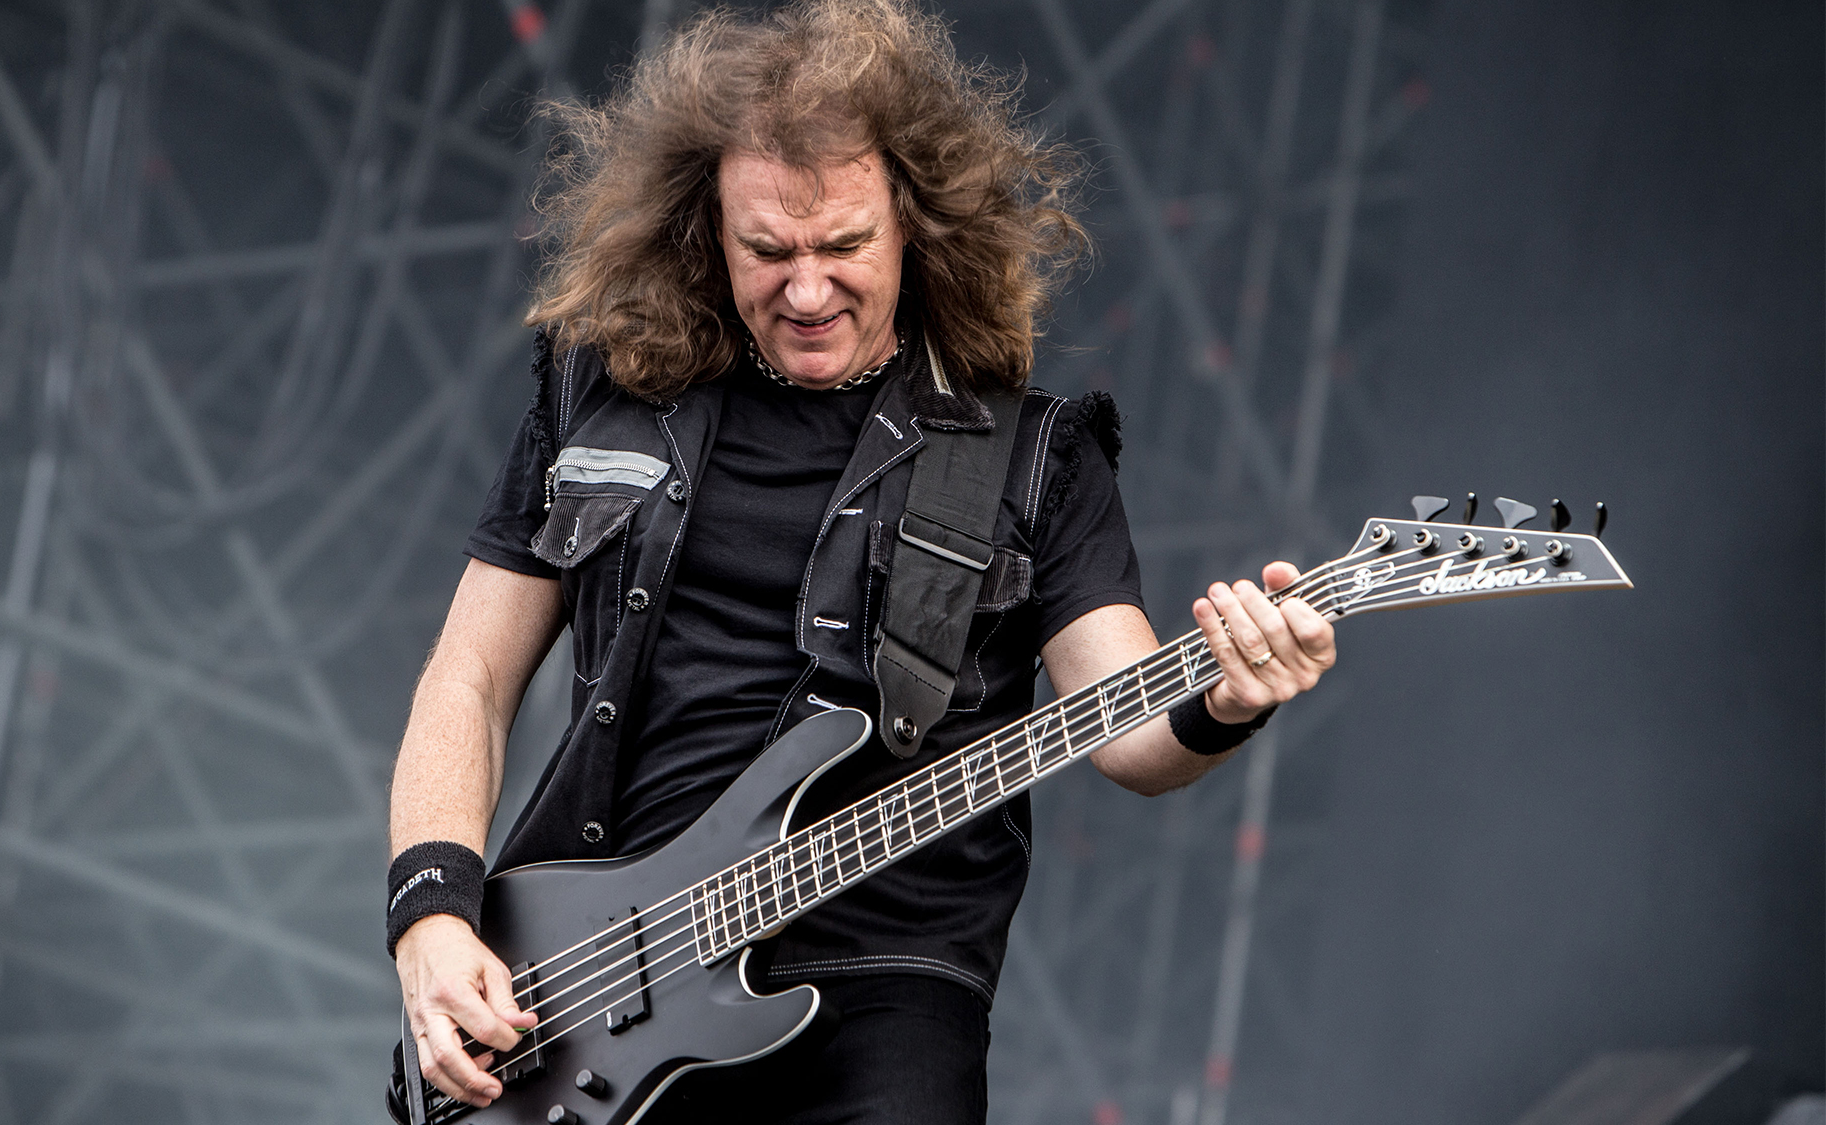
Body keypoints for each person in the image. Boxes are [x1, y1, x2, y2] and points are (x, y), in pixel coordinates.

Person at [385, 1, 1336, 1120]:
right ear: (706, 231)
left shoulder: (1033, 456)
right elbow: (469, 676)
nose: (805, 291)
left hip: (891, 979)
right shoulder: (607, 397)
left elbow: (1127, 731)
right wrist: (432, 915)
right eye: (766, 251)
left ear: (913, 227)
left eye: (842, 247)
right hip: (598, 979)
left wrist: (1224, 698)